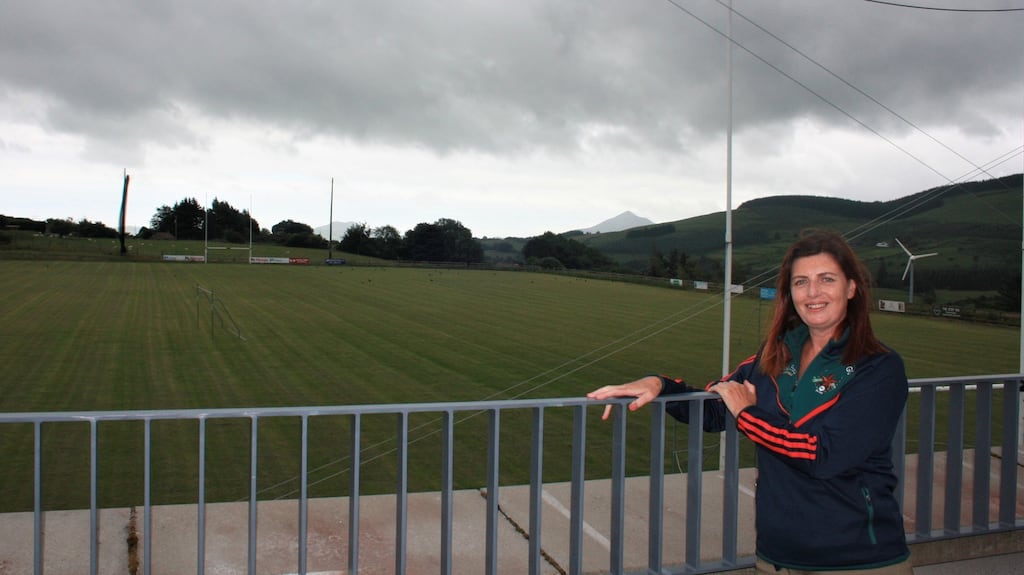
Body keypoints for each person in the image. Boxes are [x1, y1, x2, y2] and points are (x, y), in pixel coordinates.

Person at [587, 230, 912, 574]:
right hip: (776, 556)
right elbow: (715, 411)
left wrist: (746, 413)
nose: (813, 292)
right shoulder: (774, 357)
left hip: (857, 559)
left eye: (826, 279)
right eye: (801, 282)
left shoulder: (878, 367)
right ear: (790, 293)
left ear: (851, 288)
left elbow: (822, 456)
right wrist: (660, 386)